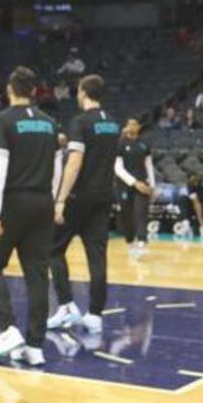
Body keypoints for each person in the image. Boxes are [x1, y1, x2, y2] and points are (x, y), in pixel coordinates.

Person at [0, 67, 59, 366]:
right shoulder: (50, 123)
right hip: (43, 202)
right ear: (34, 91)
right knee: (37, 273)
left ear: (9, 90)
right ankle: (36, 346)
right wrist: (54, 201)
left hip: (13, 202)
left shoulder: (2, 121)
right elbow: (57, 167)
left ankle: (9, 329)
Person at [47, 75, 120, 335]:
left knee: (53, 249)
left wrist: (60, 199)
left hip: (79, 198)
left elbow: (75, 162)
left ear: (83, 92)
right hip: (104, 197)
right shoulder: (113, 124)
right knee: (97, 256)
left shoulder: (80, 122)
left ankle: (66, 305)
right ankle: (95, 315)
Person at [114, 119, 155, 257]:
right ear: (126, 126)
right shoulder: (120, 143)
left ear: (138, 127)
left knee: (141, 211)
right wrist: (134, 183)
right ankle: (130, 241)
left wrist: (152, 185)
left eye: (134, 124)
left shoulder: (144, 143)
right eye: (129, 124)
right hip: (125, 184)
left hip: (143, 183)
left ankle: (142, 241)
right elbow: (118, 168)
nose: (132, 126)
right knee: (127, 214)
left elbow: (148, 165)